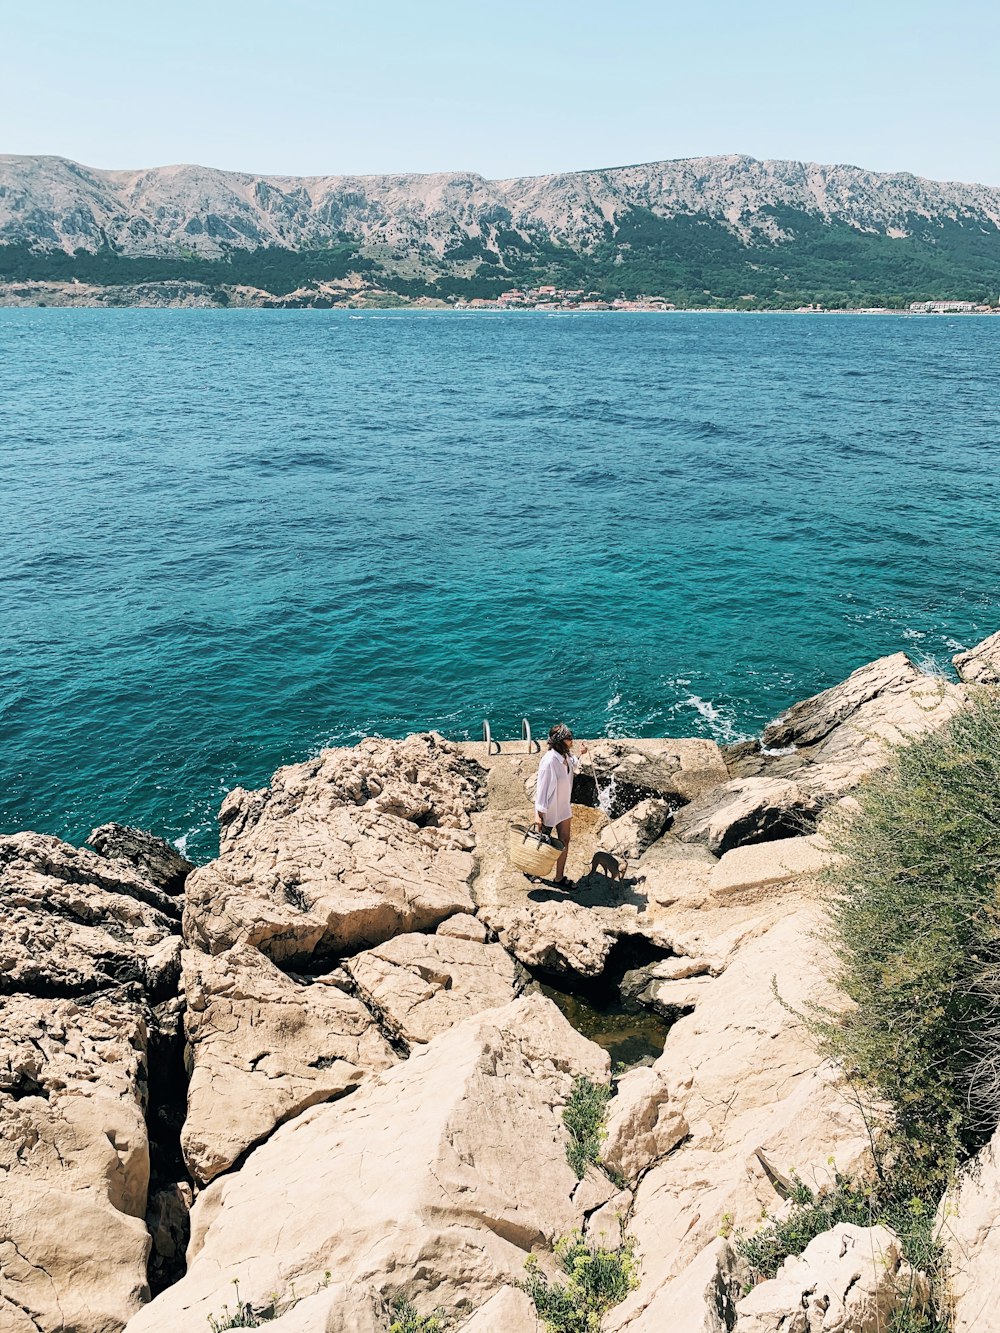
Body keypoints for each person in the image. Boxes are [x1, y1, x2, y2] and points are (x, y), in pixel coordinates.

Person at [534, 723, 588, 888]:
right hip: (549, 809)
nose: (572, 740)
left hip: (563, 807)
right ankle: (534, 871)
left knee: (564, 841)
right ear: (560, 741)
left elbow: (574, 764)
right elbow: (541, 788)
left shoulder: (565, 756)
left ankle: (559, 877)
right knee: (542, 844)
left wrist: (581, 754)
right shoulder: (549, 761)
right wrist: (538, 815)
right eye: (569, 738)